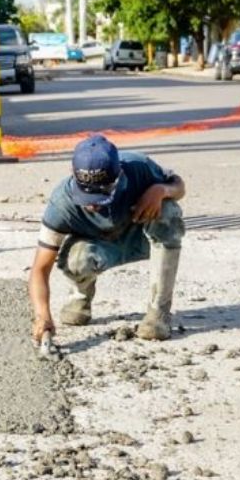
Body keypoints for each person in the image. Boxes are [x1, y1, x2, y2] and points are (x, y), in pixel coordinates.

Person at [29, 134, 186, 342]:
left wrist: (161, 190)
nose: (93, 205)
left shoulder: (138, 167)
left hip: (140, 239)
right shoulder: (61, 203)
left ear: (119, 174)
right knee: (75, 258)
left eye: (101, 195)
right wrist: (42, 316)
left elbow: (179, 186)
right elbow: (40, 268)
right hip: (99, 248)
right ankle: (80, 297)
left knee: (168, 211)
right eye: (87, 196)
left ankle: (159, 312)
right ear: (73, 175)